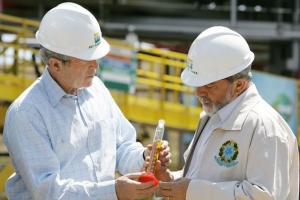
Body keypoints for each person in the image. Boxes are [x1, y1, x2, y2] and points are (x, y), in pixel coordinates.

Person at [3, 3, 171, 200]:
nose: (96, 65)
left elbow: (121, 147)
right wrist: (114, 191)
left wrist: (144, 157)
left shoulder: (96, 89)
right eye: (86, 60)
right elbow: (47, 192)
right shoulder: (27, 113)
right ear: (56, 64)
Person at [154, 26, 299, 199]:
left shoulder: (265, 128)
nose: (198, 92)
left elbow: (264, 196)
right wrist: (172, 180)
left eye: (209, 85)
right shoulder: (213, 117)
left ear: (239, 85)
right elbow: (201, 178)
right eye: (197, 84)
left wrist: (191, 191)